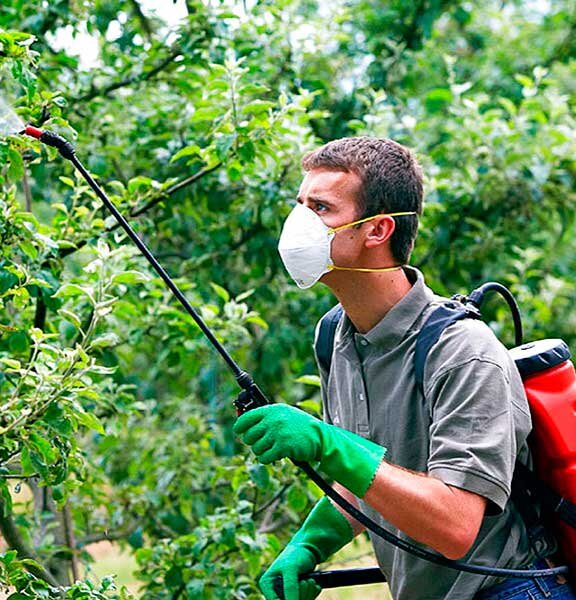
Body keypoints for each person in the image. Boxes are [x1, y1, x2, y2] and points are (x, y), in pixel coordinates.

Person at [234, 137, 572, 600]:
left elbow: (455, 526)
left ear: (378, 230)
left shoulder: (463, 351)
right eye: (300, 204)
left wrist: (325, 442)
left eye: (321, 208)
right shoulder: (335, 336)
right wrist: (308, 545)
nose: (299, 224)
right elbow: (376, 477)